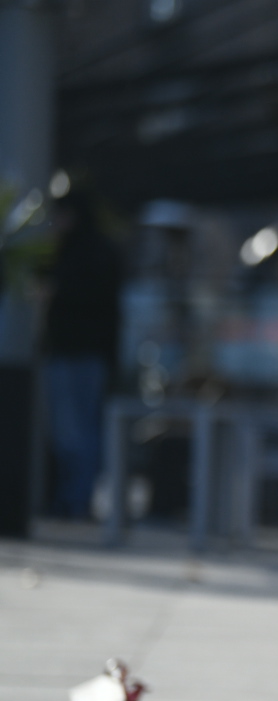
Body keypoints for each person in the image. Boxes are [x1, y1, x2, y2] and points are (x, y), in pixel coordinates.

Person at [43, 185, 122, 520]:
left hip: (80, 353)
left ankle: (76, 498)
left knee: (77, 431)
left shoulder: (88, 254)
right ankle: (71, 497)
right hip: (71, 352)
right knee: (72, 430)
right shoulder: (64, 250)